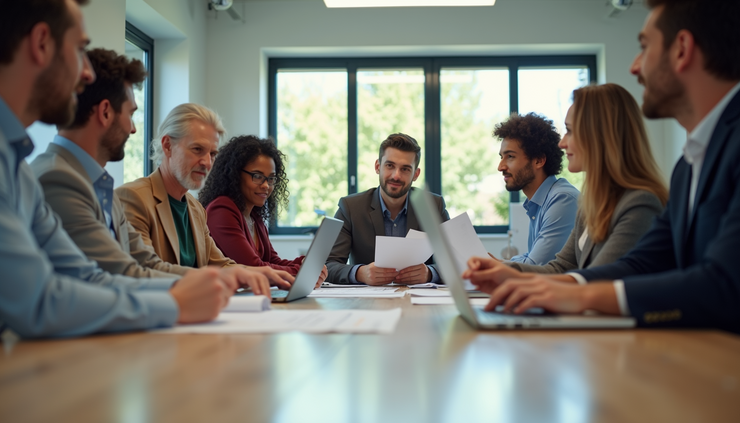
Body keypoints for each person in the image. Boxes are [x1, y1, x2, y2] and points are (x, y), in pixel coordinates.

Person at [0, 0, 278, 338]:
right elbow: (43, 299)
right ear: (42, 42)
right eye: (80, 49)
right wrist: (176, 304)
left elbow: (96, 276)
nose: (85, 73)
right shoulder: (57, 177)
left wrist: (213, 281)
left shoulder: (24, 170)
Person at [466, 0, 740, 333]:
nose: (634, 66)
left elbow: (723, 282)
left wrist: (578, 296)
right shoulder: (687, 167)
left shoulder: (644, 196)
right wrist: (523, 278)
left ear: (681, 49)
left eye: (643, 47)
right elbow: (640, 264)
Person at [30, 48, 190, 278]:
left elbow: (150, 264)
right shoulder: (58, 179)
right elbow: (121, 273)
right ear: (105, 112)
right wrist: (213, 286)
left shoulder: (100, 184)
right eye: (131, 114)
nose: (133, 129)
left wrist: (221, 279)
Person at [498, 83, 667, 277]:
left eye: (570, 131)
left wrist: (504, 272)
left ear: (601, 135)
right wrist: (499, 270)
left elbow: (594, 282)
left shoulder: (640, 204)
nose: (562, 143)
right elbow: (560, 267)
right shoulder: (591, 203)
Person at [116, 104, 253, 271]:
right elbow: (147, 269)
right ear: (167, 146)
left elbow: (221, 265)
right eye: (197, 149)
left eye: (212, 154)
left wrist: (269, 275)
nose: (207, 163)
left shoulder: (196, 209)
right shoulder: (132, 198)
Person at [199, 135, 328, 284]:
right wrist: (302, 271)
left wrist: (305, 263)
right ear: (235, 174)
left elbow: (273, 260)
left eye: (271, 178)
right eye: (257, 176)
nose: (266, 185)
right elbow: (253, 266)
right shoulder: (221, 210)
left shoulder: (254, 216)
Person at [326, 133, 450, 285]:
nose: (396, 176)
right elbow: (328, 265)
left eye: (405, 169)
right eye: (390, 166)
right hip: (367, 304)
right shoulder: (350, 207)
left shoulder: (433, 206)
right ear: (378, 166)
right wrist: (360, 273)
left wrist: (430, 273)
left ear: (415, 174)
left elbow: (455, 262)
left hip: (419, 303)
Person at [494, 112, 580, 265]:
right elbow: (531, 256)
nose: (501, 167)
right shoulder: (538, 202)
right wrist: (498, 264)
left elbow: (536, 266)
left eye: (510, 156)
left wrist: (497, 266)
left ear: (539, 160)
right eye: (502, 157)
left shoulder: (562, 199)